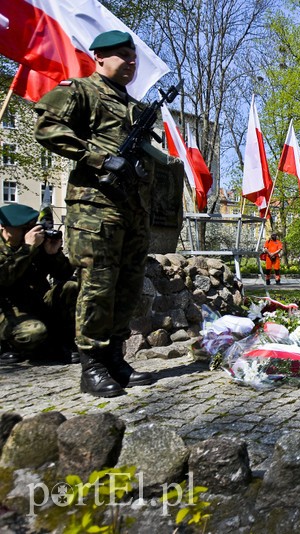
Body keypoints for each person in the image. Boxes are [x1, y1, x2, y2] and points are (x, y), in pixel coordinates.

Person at [34, 30, 158, 397]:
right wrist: (99, 157)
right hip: (94, 206)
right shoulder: (80, 91)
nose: (131, 63)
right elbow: (46, 125)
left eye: (133, 57)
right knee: (98, 283)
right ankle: (92, 364)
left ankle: (116, 357)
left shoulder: (133, 105)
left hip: (131, 208)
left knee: (127, 285)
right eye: (123, 56)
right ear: (99, 57)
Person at [0, 204, 78, 364]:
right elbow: (4, 278)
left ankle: (64, 343)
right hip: (8, 312)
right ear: (4, 228)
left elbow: (63, 274)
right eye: (23, 229)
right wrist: (27, 249)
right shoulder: (24, 246)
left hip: (37, 303)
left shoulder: (37, 245)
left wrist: (53, 253)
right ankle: (8, 345)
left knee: (71, 288)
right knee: (34, 332)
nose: (27, 233)